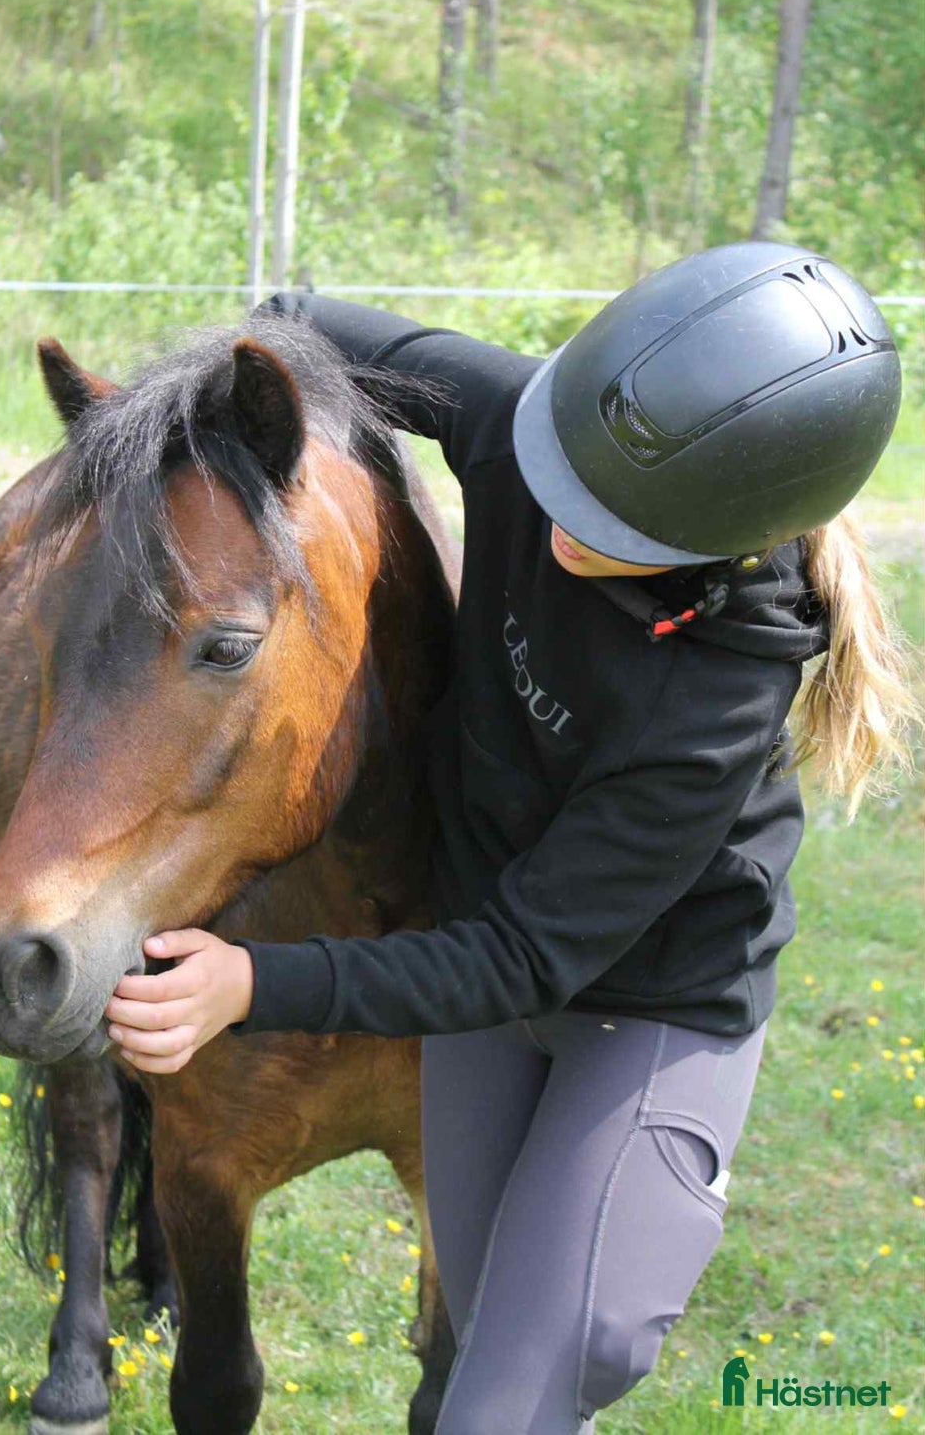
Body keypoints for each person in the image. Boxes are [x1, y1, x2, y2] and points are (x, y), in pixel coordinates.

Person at [103, 241, 911, 1434]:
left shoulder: (715, 695)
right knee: (499, 1342)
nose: (560, 523)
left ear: (729, 532)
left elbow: (527, 954)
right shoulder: (542, 441)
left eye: (613, 522)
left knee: (558, 1355)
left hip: (643, 1005)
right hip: (489, 978)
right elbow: (307, 324)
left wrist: (251, 978)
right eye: (564, 478)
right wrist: (202, 394)